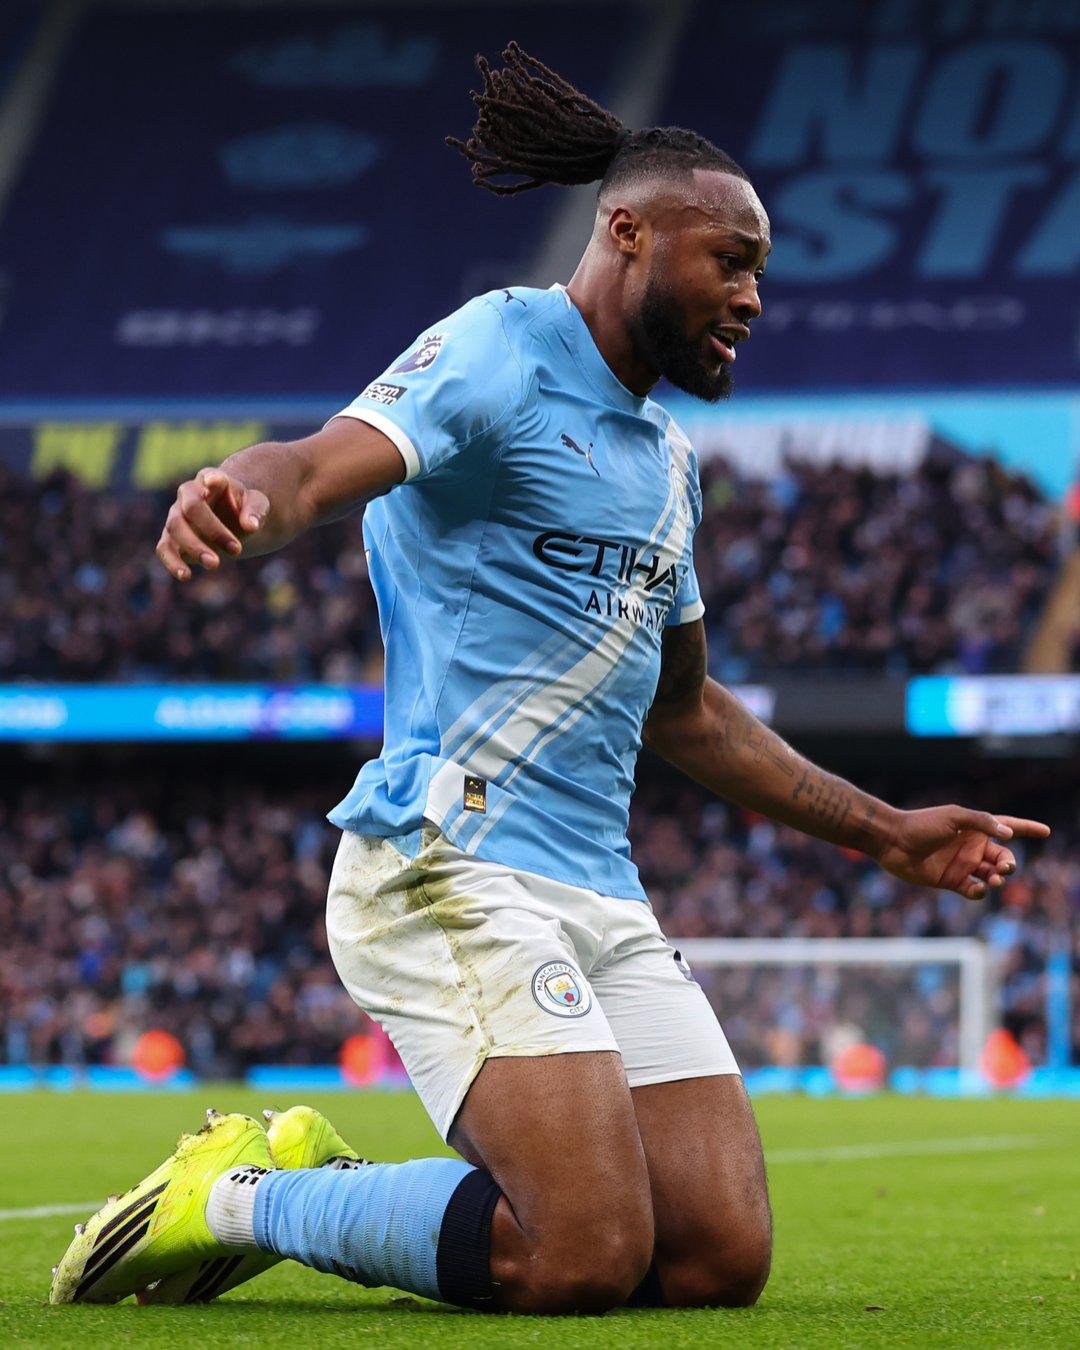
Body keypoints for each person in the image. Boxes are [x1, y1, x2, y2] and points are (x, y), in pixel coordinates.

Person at [52, 43, 1049, 1314]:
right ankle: (242, 1196)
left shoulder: (667, 460)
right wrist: (240, 494)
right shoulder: (500, 349)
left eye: (760, 270)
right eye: (731, 260)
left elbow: (686, 708)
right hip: (448, 865)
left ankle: (310, 1180)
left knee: (715, 1259)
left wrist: (887, 832)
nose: (753, 296)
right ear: (628, 232)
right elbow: (313, 464)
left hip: (598, 892)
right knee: (580, 1253)